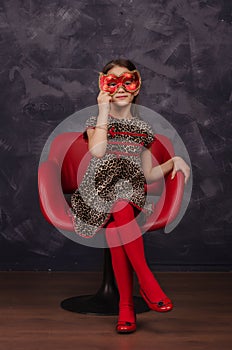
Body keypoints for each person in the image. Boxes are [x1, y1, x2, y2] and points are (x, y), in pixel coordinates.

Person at [71, 58, 190, 334]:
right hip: (96, 196)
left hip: (128, 198)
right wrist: (102, 110)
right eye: (112, 82)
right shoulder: (95, 121)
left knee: (117, 226)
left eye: (127, 81)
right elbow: (99, 152)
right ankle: (146, 279)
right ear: (104, 87)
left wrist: (174, 161)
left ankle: (127, 307)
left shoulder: (145, 130)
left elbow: (146, 174)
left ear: (136, 87)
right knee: (118, 180)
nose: (120, 88)